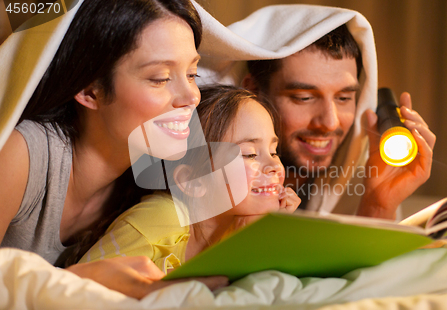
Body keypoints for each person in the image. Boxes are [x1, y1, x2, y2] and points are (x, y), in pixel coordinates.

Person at [0, 0, 228, 299]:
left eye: (192, 74)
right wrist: (78, 280)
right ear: (89, 90)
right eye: (160, 78)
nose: (190, 97)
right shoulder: (24, 154)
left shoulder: (152, 184)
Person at [80, 85, 301, 273]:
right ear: (193, 181)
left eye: (274, 151)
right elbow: (79, 287)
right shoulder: (162, 218)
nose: (274, 166)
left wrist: (265, 237)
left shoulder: (241, 226)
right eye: (249, 154)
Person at [240, 23, 436, 220]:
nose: (331, 122)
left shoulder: (360, 176)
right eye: (304, 97)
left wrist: (377, 206)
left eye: (343, 98)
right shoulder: (218, 193)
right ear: (253, 92)